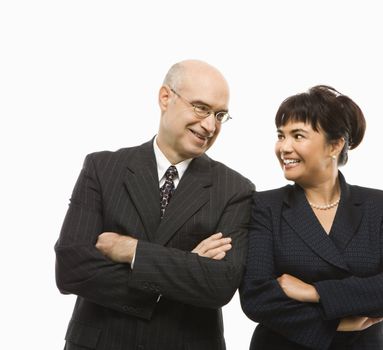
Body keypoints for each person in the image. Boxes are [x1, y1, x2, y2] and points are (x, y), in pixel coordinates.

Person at [55, 59, 254, 350]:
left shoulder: (236, 189)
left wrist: (133, 251)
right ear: (165, 97)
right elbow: (71, 268)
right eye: (201, 108)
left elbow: (220, 285)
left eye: (220, 115)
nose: (210, 125)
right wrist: (186, 266)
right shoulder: (102, 167)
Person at [239, 85, 383, 350]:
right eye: (280, 135)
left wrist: (314, 292)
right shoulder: (265, 206)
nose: (284, 147)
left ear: (335, 145)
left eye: (298, 136)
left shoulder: (379, 206)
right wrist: (337, 322)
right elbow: (257, 297)